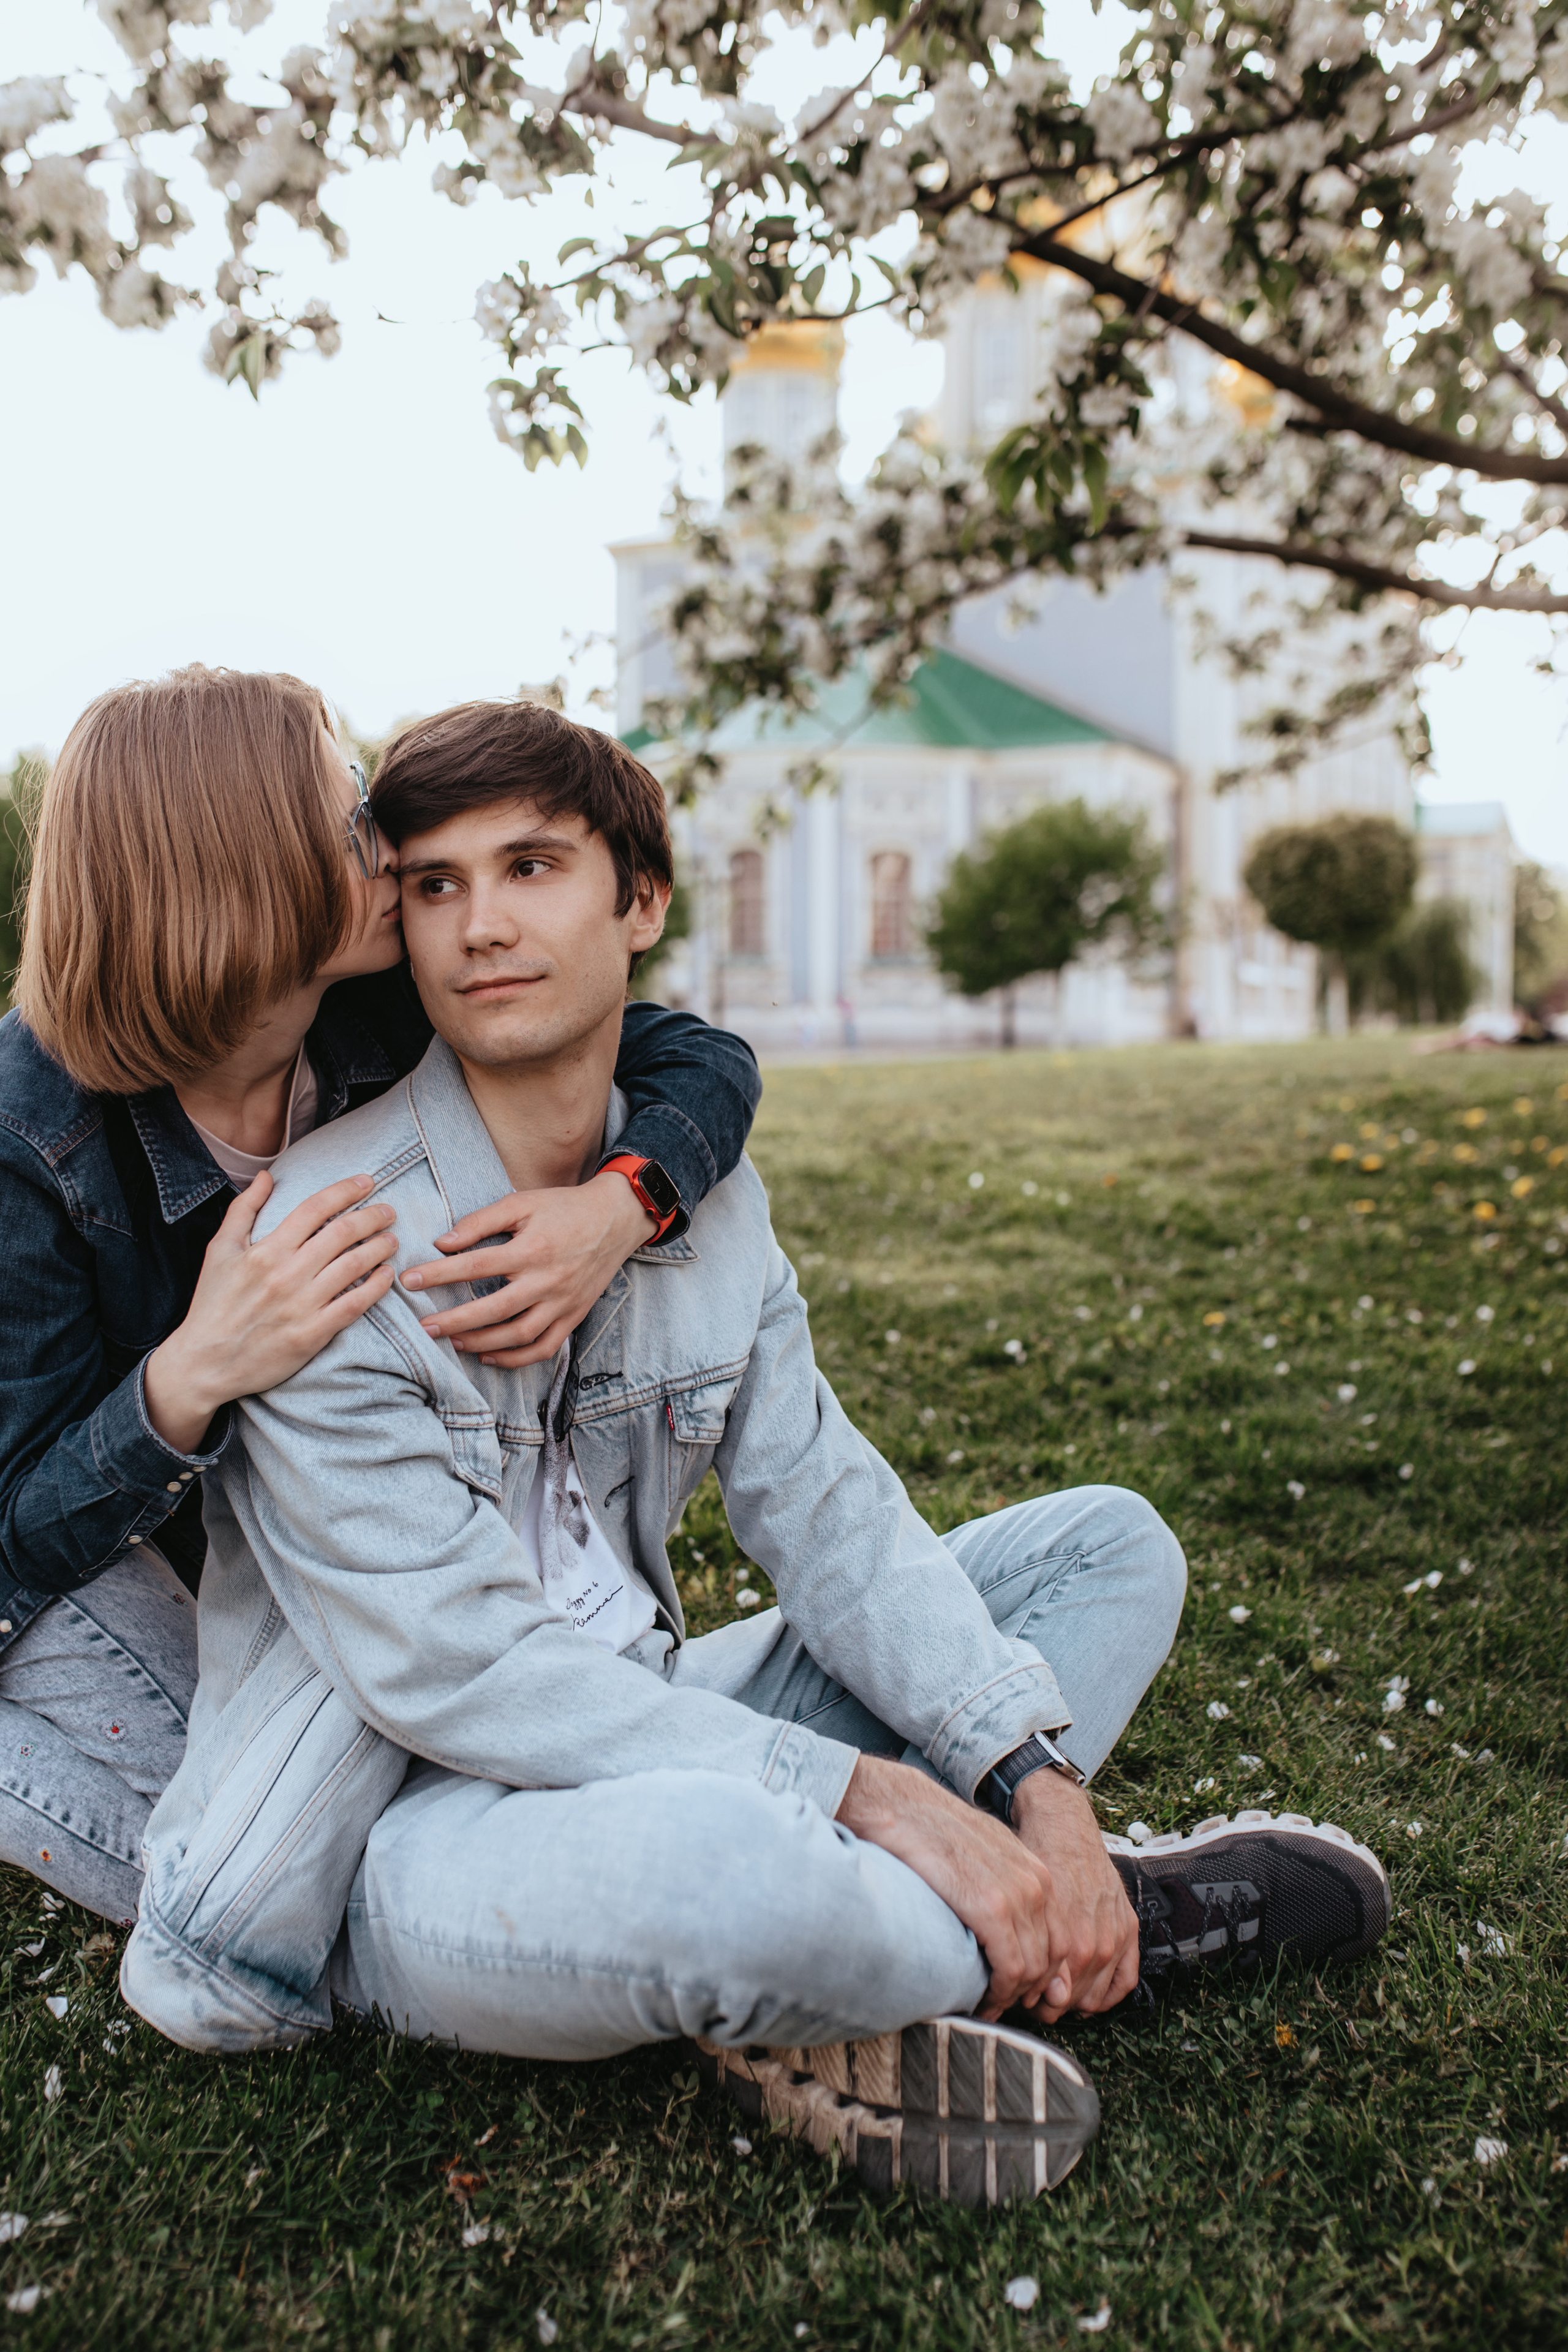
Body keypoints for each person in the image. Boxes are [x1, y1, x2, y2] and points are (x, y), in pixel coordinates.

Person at [122, 701, 1391, 2207]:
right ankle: (1088, 1919)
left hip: (646, 1719)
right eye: (437, 885)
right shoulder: (325, 1242)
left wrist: (1028, 1777)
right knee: (741, 1876)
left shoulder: (691, 1202)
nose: (477, 928)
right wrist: (873, 1795)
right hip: (402, 1836)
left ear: (640, 902)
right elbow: (458, 1670)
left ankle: (965, 1914)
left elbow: (830, 1513)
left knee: (1106, 1550)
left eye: (532, 868)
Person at [0, 666, 760, 1923]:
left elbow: (695, 1057)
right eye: (350, 811)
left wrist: (618, 1204)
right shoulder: (32, 1132)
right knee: (256, 1868)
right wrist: (190, 1376)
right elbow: (20, 1520)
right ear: (243, 867)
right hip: (62, 1565)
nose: (388, 842)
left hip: (284, 1539)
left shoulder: (382, 1010)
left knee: (372, 1795)